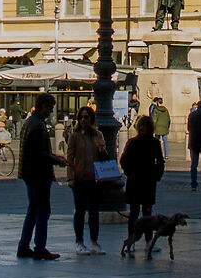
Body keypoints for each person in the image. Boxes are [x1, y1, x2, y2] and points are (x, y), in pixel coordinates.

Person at [16, 93, 61, 260]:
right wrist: (56, 159)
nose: (50, 111)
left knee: (33, 210)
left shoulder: (31, 122)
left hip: (29, 173)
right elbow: (39, 154)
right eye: (49, 107)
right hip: (38, 174)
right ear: (42, 106)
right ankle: (39, 247)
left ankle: (24, 246)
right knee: (42, 210)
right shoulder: (37, 125)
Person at [64, 107, 112, 253]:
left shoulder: (98, 135)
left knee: (94, 211)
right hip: (79, 179)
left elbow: (105, 157)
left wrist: (102, 150)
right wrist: (70, 178)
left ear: (92, 119)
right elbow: (70, 158)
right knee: (80, 211)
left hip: (94, 179)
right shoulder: (75, 136)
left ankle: (94, 241)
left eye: (86, 117)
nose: (83, 120)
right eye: (81, 118)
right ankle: (79, 241)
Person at [120, 114, 165, 245]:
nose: (143, 130)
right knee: (135, 212)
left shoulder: (152, 143)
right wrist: (130, 173)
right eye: (141, 128)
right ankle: (132, 239)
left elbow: (160, 161)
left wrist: (157, 175)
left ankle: (147, 239)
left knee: (146, 212)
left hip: (147, 180)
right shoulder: (134, 142)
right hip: (137, 180)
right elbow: (124, 160)